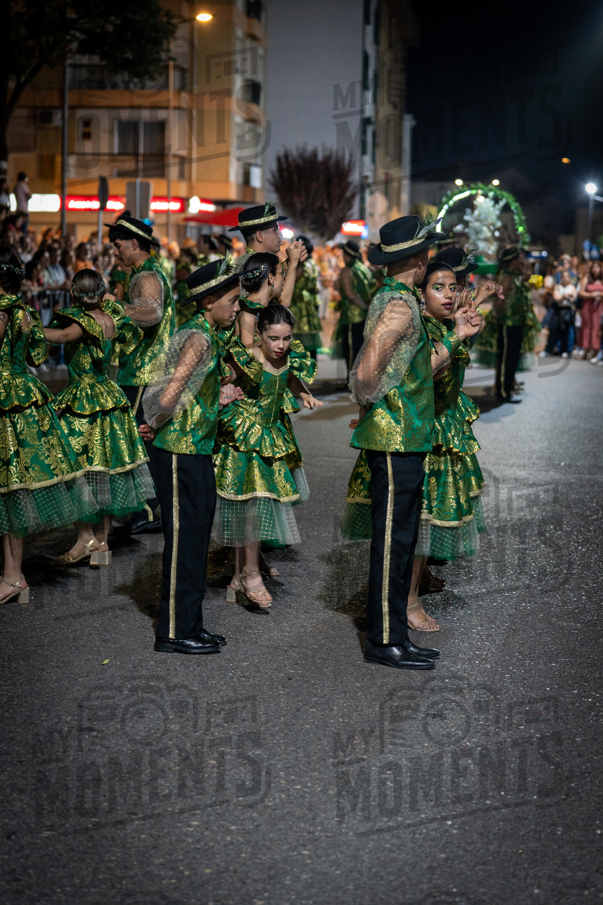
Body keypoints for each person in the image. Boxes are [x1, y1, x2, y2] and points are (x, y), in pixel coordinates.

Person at [342, 215, 481, 671]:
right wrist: (375, 406)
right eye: (426, 253)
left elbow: (410, 366)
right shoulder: (399, 305)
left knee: (400, 538)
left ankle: (393, 633)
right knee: (392, 541)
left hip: (407, 436)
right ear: (417, 259)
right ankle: (384, 639)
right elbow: (365, 375)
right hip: (396, 438)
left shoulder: (400, 299)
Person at [140, 258, 247, 655]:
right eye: (233, 300)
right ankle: (174, 631)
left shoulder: (205, 333)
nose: (237, 307)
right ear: (209, 301)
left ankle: (190, 624)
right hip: (180, 453)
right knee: (185, 542)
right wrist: (156, 421)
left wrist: (215, 396)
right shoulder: (200, 338)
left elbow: (185, 394)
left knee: (195, 541)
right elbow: (169, 394)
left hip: (195, 449)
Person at [214, 289, 322, 608]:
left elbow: (290, 378)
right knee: (252, 505)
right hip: (247, 437)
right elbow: (220, 378)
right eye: (273, 338)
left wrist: (304, 394)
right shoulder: (248, 357)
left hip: (271, 437)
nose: (280, 346)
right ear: (259, 334)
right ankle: (249, 574)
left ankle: (242, 572)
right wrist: (226, 390)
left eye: (286, 338)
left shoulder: (288, 357)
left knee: (257, 506)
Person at [0, 247, 97, 603]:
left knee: (10, 489)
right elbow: (34, 356)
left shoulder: (2, 312)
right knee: (22, 484)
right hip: (24, 394)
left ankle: (12, 576)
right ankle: (12, 575)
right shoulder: (24, 312)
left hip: (5, 400)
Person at [44, 269, 153, 565]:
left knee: (75, 468)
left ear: (74, 293)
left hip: (84, 400)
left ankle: (85, 538)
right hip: (110, 397)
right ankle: (101, 543)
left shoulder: (82, 321)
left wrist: (27, 327)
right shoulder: (111, 319)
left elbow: (62, 335)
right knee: (106, 470)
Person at [108, 215, 175, 534]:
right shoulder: (144, 271)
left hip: (144, 372)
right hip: (146, 371)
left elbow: (151, 312)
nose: (116, 253)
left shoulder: (146, 274)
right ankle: (151, 510)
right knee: (146, 442)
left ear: (135, 244)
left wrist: (113, 307)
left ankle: (148, 512)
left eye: (119, 245)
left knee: (140, 443)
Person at [238, 247, 306, 346]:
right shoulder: (249, 312)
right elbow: (247, 353)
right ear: (271, 278)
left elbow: (285, 302)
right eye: (281, 273)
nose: (284, 277)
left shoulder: (267, 304)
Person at [332, 240, 376, 376]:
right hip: (363, 315)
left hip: (351, 315)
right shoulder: (362, 267)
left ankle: (352, 381)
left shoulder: (347, 270)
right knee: (361, 348)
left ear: (346, 255)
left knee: (351, 350)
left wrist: (363, 306)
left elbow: (350, 294)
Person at [492, 246, 529, 404]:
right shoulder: (505, 277)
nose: (521, 261)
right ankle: (503, 392)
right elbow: (499, 302)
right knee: (506, 359)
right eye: (518, 259)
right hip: (508, 323)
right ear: (511, 261)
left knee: (512, 358)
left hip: (516, 323)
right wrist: (499, 317)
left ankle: (507, 388)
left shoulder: (513, 275)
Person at [289, 235, 323, 359]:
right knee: (309, 343)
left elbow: (292, 287)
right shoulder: (312, 264)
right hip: (309, 304)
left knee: (299, 343)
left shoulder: (300, 267)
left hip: (298, 306)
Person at [540, 272, 577, 358]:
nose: (565, 278)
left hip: (567, 311)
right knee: (553, 330)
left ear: (569, 278)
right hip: (557, 310)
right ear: (561, 277)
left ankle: (564, 350)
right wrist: (566, 296)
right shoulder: (557, 286)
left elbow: (573, 299)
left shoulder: (572, 287)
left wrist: (563, 296)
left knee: (565, 331)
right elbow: (557, 298)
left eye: (567, 276)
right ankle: (548, 350)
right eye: (563, 276)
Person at [576, 261, 603, 359]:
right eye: (594, 267)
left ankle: (596, 351)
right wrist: (592, 294)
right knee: (587, 327)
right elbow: (581, 293)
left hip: (599, 307)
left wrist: (599, 294)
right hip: (588, 306)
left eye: (597, 267)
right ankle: (586, 350)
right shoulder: (587, 278)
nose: (595, 269)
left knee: (597, 328)